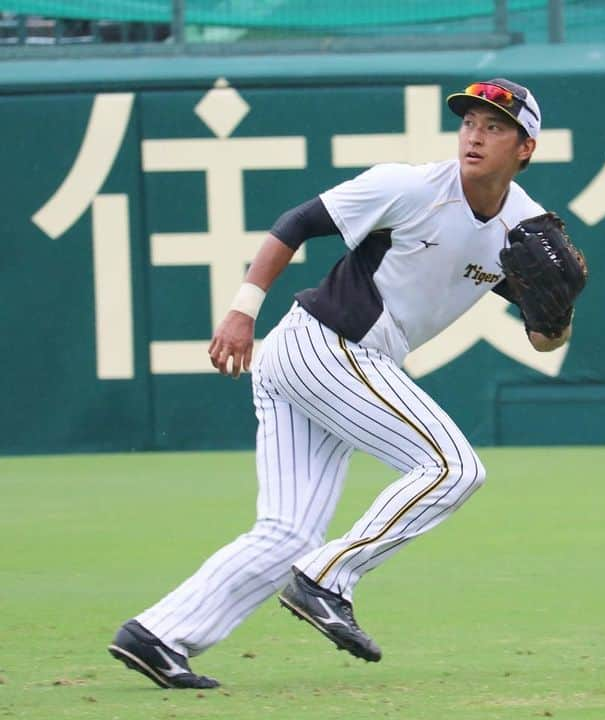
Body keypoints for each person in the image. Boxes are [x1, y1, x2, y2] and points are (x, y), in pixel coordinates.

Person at [108, 78, 575, 689]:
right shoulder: (411, 187)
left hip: (326, 362)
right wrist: (243, 310)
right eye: (469, 123)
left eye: (495, 127)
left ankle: (157, 635)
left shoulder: (526, 228)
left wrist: (558, 311)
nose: (475, 135)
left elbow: (545, 339)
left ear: (525, 148)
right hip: (324, 346)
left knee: (287, 533)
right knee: (453, 469)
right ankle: (327, 579)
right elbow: (295, 223)